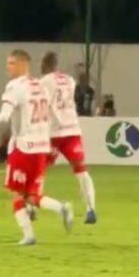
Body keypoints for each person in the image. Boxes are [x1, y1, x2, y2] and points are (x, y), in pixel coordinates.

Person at [0, 49, 73, 246]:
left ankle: (29, 235)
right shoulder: (41, 85)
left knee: (16, 194)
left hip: (23, 147)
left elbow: (5, 115)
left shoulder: (15, 86)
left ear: (24, 64)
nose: (8, 67)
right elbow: (52, 115)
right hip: (41, 146)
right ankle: (61, 208)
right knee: (32, 196)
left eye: (12, 63)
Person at [41, 52, 97, 224]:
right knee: (81, 171)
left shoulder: (44, 82)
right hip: (72, 129)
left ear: (44, 65)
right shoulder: (70, 80)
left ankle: (30, 207)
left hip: (53, 133)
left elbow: (43, 105)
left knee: (39, 170)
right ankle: (91, 209)